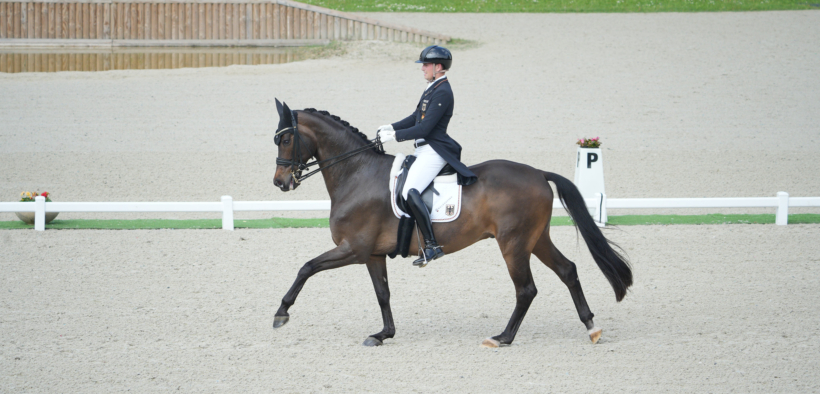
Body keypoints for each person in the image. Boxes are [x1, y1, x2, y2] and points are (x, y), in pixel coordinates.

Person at [377, 45, 478, 267]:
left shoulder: (443, 91)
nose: (422, 68)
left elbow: (424, 129)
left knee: (410, 190)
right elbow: (416, 117)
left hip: (434, 149)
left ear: (438, 67)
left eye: (426, 65)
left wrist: (395, 136)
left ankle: (431, 245)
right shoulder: (433, 87)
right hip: (423, 148)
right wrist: (391, 126)